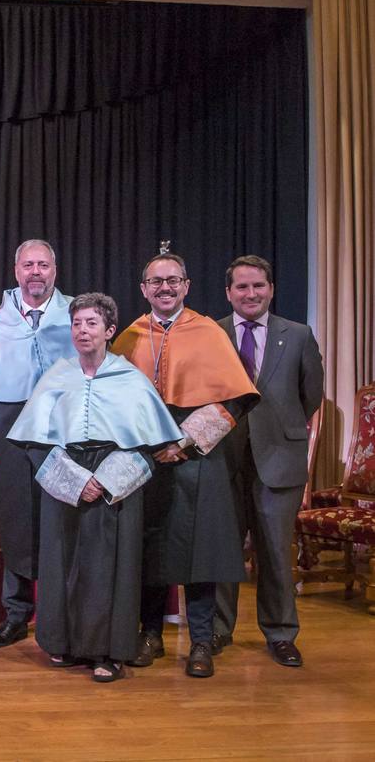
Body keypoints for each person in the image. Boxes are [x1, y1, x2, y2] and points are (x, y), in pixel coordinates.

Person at [8, 293, 183, 682]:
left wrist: (104, 480)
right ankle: (65, 643)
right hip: (66, 474)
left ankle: (109, 651)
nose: (82, 331)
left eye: (91, 324)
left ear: (109, 331)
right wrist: (74, 479)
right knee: (63, 562)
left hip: (114, 479)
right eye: (76, 324)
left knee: (111, 568)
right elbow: (37, 441)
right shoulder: (57, 376)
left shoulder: (131, 380)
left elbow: (148, 445)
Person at [112, 252, 259, 678]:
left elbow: (234, 397)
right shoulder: (129, 337)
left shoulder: (209, 331)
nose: (164, 288)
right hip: (147, 453)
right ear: (143, 289)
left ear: (187, 286)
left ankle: (200, 641)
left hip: (198, 453)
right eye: (156, 282)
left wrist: (185, 441)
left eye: (173, 280)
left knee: (201, 553)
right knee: (150, 547)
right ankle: (150, 634)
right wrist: (151, 441)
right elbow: (116, 399)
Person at [212, 255, 324, 667]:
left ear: (271, 289)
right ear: (229, 293)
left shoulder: (297, 335)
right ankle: (219, 631)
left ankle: (280, 633)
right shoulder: (213, 333)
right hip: (223, 459)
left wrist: (279, 429)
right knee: (222, 550)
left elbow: (310, 395)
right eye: (241, 287)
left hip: (279, 460)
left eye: (258, 285)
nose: (251, 294)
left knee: (275, 551)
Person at [0, 239, 77, 648]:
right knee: (16, 518)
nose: (35, 272)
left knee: (62, 519)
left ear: (54, 270)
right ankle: (16, 613)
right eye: (28, 265)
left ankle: (62, 613)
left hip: (64, 423)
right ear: (15, 270)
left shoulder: (76, 313)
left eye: (42, 265)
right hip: (10, 420)